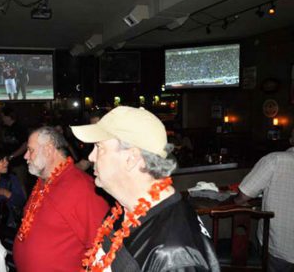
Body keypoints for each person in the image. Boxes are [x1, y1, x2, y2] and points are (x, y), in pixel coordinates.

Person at [71, 106, 220, 271]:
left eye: (99, 147)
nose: (91, 157)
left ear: (131, 158)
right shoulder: (124, 209)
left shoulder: (173, 256)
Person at [13, 126, 109, 272]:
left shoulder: (81, 187)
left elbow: (104, 246)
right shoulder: (43, 181)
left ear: (48, 149)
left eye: (31, 150)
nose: (25, 156)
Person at [234, 129, 294, 272]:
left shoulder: (275, 160)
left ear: (291, 140)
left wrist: (237, 201)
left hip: (279, 248)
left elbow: (244, 195)